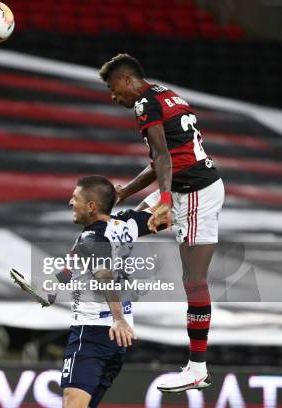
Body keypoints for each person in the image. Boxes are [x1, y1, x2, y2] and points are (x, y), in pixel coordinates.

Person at [99, 53, 224, 392]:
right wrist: (124, 192)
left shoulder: (145, 104)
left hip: (196, 193)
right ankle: (102, 291)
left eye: (113, 89)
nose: (113, 97)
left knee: (194, 281)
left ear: (127, 80)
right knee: (124, 225)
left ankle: (197, 368)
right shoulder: (166, 94)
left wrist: (166, 203)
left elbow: (163, 158)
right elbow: (162, 161)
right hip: (183, 185)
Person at [57, 175, 162, 408]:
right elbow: (163, 214)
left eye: (75, 198)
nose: (70, 203)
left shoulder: (91, 238)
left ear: (91, 206)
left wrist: (118, 319)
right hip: (116, 341)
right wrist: (55, 283)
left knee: (72, 403)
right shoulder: (125, 225)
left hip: (92, 333)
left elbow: (104, 276)